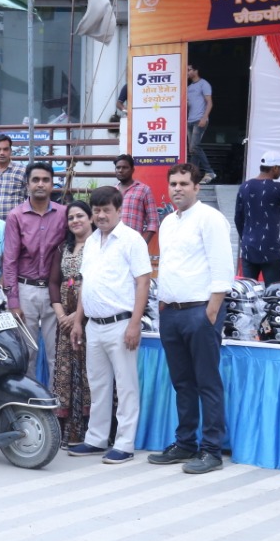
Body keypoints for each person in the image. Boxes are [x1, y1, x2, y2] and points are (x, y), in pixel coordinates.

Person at [151, 162, 235, 474]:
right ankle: (185, 443)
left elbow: (222, 266)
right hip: (171, 312)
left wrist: (212, 310)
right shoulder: (168, 223)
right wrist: (162, 303)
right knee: (182, 383)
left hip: (201, 311)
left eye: (184, 183)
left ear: (197, 187)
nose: (177, 189)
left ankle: (211, 450)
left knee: (207, 382)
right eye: (173, 183)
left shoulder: (210, 218)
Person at [66, 186, 151, 464]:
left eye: (106, 210)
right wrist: (79, 321)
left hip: (121, 323)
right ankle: (95, 439)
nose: (101, 215)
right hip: (93, 324)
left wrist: (135, 323)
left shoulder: (131, 239)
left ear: (119, 210)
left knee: (126, 386)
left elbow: (143, 281)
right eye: (97, 210)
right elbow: (86, 284)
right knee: (98, 384)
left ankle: (125, 444)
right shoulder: (91, 242)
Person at [3, 162, 68, 371]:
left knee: (56, 353)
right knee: (27, 352)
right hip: (25, 290)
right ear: (27, 184)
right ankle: (28, 402)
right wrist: (13, 301)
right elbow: (10, 260)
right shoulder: (15, 216)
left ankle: (56, 402)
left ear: (52, 184)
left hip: (54, 292)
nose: (40, 184)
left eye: (45, 180)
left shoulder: (64, 214)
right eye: (36, 180)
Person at [49, 200, 95, 446]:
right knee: (65, 373)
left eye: (80, 216)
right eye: (71, 218)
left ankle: (86, 430)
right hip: (64, 321)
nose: (75, 221)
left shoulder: (98, 246)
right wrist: (61, 316)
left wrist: (77, 317)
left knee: (87, 374)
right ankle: (66, 431)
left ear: (91, 219)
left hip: (87, 319)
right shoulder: (63, 248)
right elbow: (54, 282)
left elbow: (93, 283)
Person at [234, 151, 280, 284]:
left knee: (249, 293)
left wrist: (246, 238)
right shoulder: (277, 188)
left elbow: (238, 218)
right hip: (271, 250)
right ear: (274, 168)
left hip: (249, 249)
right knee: (273, 293)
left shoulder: (245, 187)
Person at [114, 154, 158, 242]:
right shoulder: (112, 191)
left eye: (124, 167)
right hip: (113, 244)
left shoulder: (144, 190)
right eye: (118, 168)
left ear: (132, 170)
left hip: (134, 243)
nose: (120, 170)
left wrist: (143, 244)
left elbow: (153, 221)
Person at [185, 62, 216, 184]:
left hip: (199, 119)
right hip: (190, 120)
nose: (187, 72)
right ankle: (194, 176)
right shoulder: (188, 87)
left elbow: (210, 102)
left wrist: (205, 117)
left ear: (196, 71)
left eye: (189, 69)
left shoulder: (204, 84)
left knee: (194, 146)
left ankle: (209, 171)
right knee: (192, 150)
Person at [0, 134, 27, 220]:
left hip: (15, 224)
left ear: (10, 151)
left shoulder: (22, 171)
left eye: (5, 149)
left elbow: (30, 199)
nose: (1, 153)